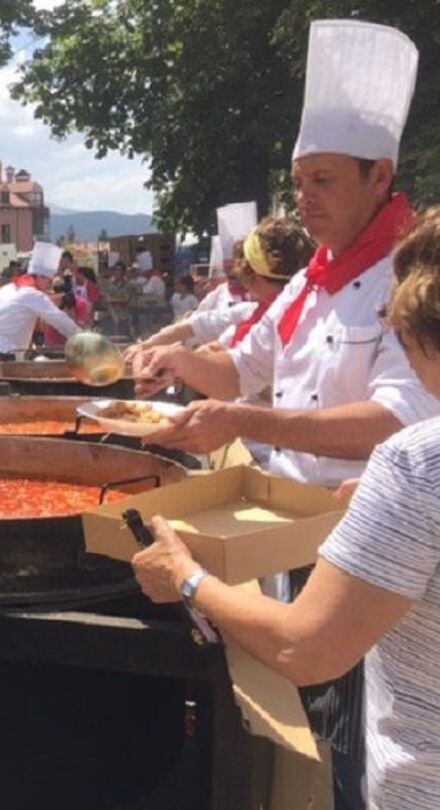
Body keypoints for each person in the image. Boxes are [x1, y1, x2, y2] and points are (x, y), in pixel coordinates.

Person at [134, 21, 438, 808]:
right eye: (299, 181)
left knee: (357, 726)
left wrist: (241, 420)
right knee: (308, 728)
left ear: (381, 177)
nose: (303, 200)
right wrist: (177, 364)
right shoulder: (309, 280)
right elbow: (241, 367)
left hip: (375, 541)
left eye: (324, 181)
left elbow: (394, 422)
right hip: (288, 526)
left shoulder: (407, 284)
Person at [126, 219, 314, 357]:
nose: (239, 280)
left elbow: (236, 368)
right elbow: (200, 328)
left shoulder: (297, 320)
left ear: (254, 276)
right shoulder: (253, 311)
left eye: (241, 275)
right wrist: (153, 350)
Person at [0, 242, 81, 353]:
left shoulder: (4, 290)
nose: (50, 284)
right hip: (7, 353)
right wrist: (83, 339)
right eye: (49, 280)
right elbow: (59, 319)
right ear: (40, 276)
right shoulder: (32, 294)